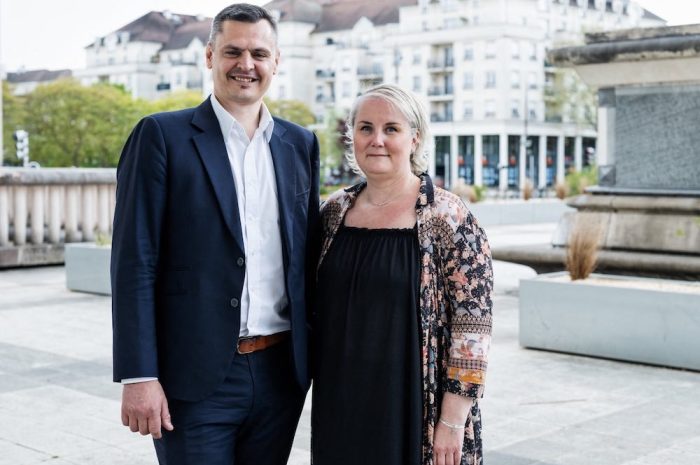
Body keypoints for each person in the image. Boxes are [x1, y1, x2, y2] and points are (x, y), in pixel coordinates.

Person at [110, 4, 319, 465]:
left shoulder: (300, 144)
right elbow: (134, 262)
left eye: (259, 53)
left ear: (277, 61)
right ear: (209, 56)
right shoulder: (160, 136)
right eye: (233, 52)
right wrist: (138, 375)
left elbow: (307, 254)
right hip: (195, 377)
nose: (247, 65)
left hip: (281, 374)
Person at [313, 84, 493, 465]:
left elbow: (473, 328)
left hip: (417, 409)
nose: (377, 140)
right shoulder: (332, 213)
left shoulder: (449, 217)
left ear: (415, 138)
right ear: (352, 136)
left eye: (391, 129)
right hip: (341, 404)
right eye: (365, 128)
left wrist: (452, 420)